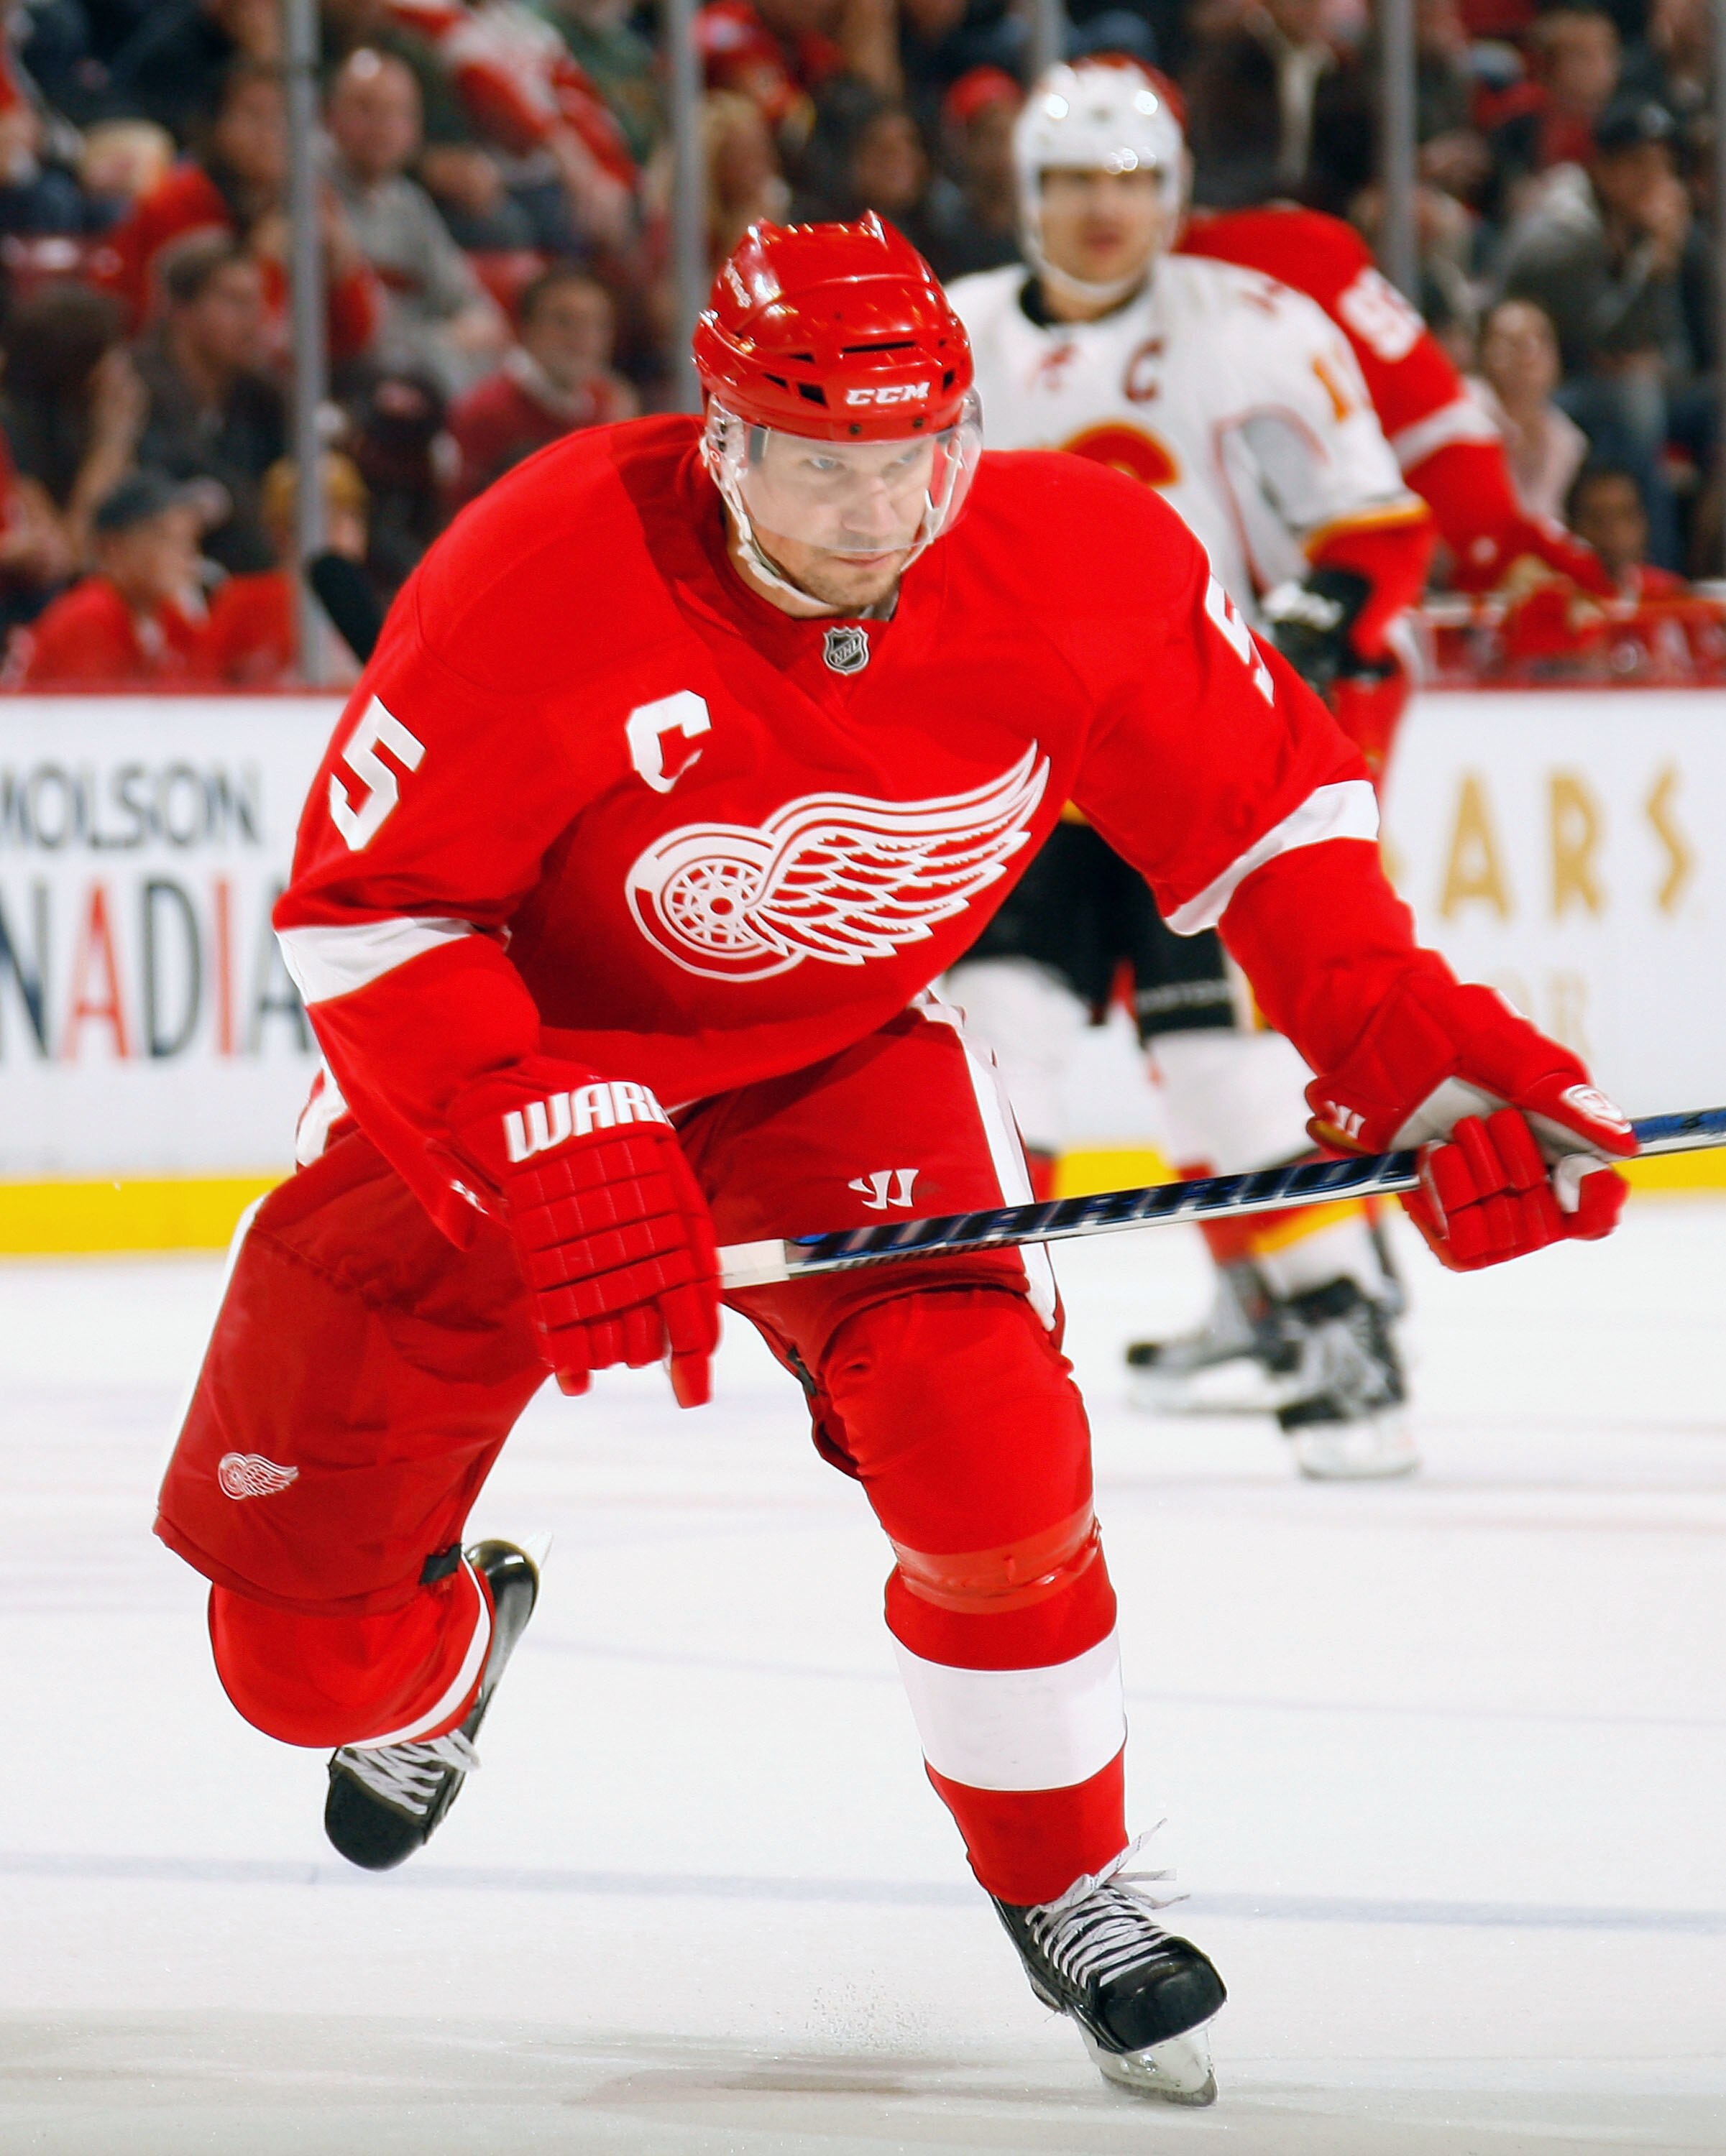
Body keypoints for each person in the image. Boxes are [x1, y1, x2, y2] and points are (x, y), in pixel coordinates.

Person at [153, 213, 1636, 2104]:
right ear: (722, 441)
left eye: (910, 463)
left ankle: (1071, 1881)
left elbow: (1270, 820)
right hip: (512, 1069)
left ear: (964, 432)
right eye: (819, 468)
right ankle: (445, 1662)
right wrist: (530, 1118)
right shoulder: (545, 564)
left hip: (838, 1062)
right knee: (303, 1672)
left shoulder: (1078, 558)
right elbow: (368, 915)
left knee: (987, 1438)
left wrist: (1399, 1048)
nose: (873, 516)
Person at [946, 61, 1435, 1478]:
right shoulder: (954, 335)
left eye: (1132, 181)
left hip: (1199, 761)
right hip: (1022, 771)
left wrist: (1323, 610)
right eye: (1076, 182)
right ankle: (981, 1334)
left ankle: (1336, 1319)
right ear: (1028, 192)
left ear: (1172, 190)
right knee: (989, 1041)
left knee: (1220, 1064)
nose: (1105, 212)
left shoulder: (1257, 326)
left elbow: (1373, 527)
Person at [327, 47, 510, 400]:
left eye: (398, 113)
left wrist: (445, 340)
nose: (383, 126)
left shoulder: (407, 201)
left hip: (419, 369)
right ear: (331, 116)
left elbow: (476, 311)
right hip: (349, 380)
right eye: (366, 109)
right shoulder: (309, 193)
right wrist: (441, 343)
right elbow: (356, 335)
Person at [130, 230, 287, 575]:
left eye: (257, 301)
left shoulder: (262, 397)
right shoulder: (138, 388)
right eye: (235, 301)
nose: (255, 318)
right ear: (180, 310)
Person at [446, 265, 635, 507]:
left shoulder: (609, 406)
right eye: (563, 321)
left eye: (599, 324)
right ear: (525, 328)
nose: (584, 337)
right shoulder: (486, 414)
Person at [199, 451, 373, 685]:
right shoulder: (244, 601)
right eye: (333, 518)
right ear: (283, 530)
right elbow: (204, 684)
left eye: (353, 516)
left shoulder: (362, 606)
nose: (348, 530)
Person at [19, 470, 206, 683]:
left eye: (188, 539)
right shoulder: (89, 618)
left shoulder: (171, 620)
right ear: (113, 548)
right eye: (164, 537)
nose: (186, 553)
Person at [1472, 297, 1589, 526]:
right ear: (1484, 352)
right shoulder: (1465, 413)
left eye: (1542, 340)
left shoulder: (1568, 441)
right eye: (1514, 342)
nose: (1530, 353)